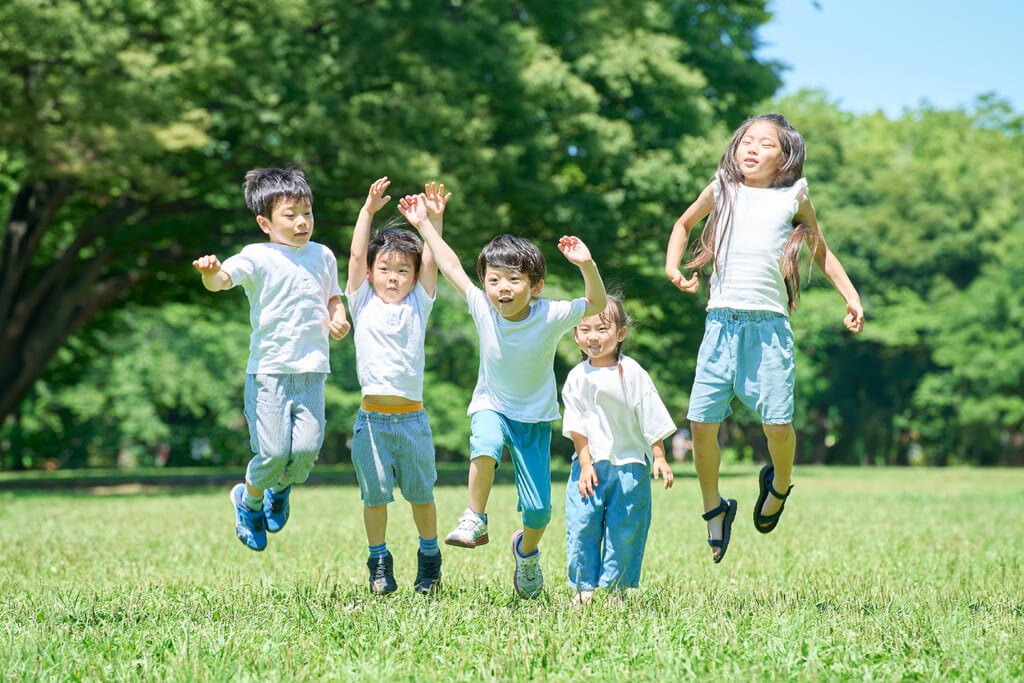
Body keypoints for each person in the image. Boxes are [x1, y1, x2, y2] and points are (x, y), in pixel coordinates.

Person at [665, 114, 864, 563]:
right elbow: (682, 225)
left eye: (764, 144)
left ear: (785, 157)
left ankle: (779, 483)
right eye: (745, 142)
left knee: (776, 424)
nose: (750, 149)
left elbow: (821, 250)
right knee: (701, 423)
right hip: (719, 323)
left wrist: (851, 297)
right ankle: (713, 507)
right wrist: (673, 267)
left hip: (769, 330)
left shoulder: (794, 195)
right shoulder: (722, 187)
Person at [401, 197, 607, 599]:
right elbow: (450, 266)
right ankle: (474, 517)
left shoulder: (551, 314)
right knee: (486, 443)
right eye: (493, 279)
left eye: (513, 280)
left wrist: (586, 265)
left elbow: (597, 304)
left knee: (539, 512)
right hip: (491, 404)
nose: (501, 289)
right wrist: (425, 224)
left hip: (533, 418)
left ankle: (526, 552)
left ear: (535, 286)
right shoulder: (482, 307)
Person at [192, 167, 350, 552]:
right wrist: (210, 274)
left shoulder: (323, 255)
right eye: (290, 214)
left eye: (307, 213)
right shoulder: (257, 255)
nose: (302, 222)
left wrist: (338, 314)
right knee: (274, 452)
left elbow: (332, 295)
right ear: (265, 222)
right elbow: (223, 280)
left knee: (306, 452)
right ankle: (248, 502)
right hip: (269, 373)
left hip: (312, 369)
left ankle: (279, 490)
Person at [345, 177, 450, 596]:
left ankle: (429, 559)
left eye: (402, 271)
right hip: (371, 423)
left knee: (421, 495)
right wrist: (367, 211)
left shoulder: (418, 305)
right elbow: (355, 254)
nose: (394, 277)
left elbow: (432, 262)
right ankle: (379, 562)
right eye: (385, 270)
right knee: (375, 498)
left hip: (412, 422)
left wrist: (433, 222)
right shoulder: (361, 301)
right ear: (370, 275)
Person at [561, 295, 676, 605]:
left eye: (602, 328)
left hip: (630, 466)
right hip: (589, 467)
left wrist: (660, 456)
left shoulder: (633, 372)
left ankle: (615, 589)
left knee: (625, 528)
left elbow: (649, 412)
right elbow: (577, 426)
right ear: (575, 334)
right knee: (582, 525)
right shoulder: (576, 378)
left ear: (621, 333)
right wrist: (584, 464)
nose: (593, 337)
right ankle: (584, 587)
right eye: (584, 330)